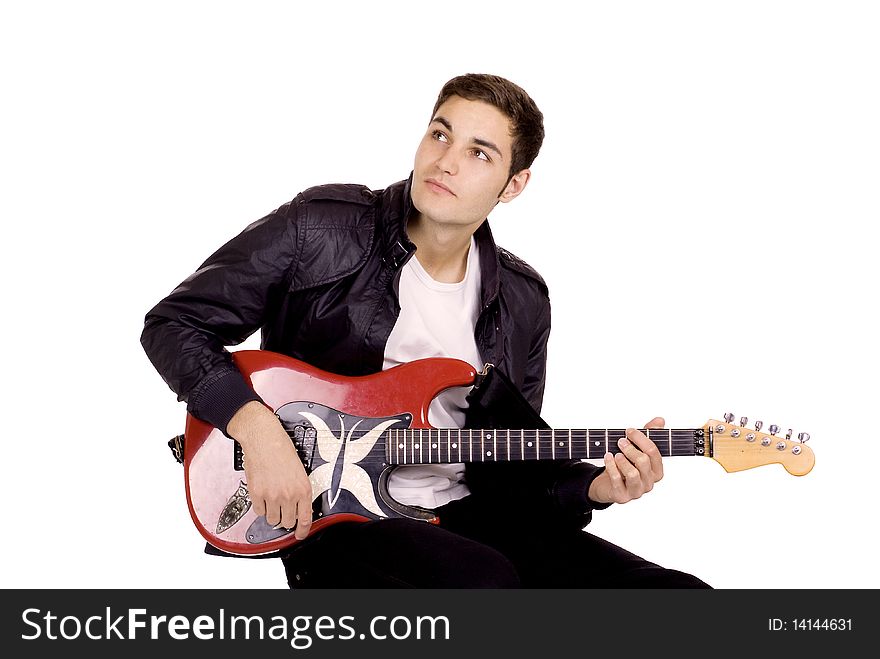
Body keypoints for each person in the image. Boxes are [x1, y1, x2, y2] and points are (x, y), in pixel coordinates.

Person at [141, 73, 711, 588]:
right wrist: (257, 429)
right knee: (484, 585)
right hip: (337, 518)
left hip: (470, 513)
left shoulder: (522, 299)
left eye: (479, 153)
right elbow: (174, 324)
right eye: (440, 134)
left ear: (513, 185)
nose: (447, 161)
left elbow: (513, 459)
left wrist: (594, 489)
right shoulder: (320, 226)